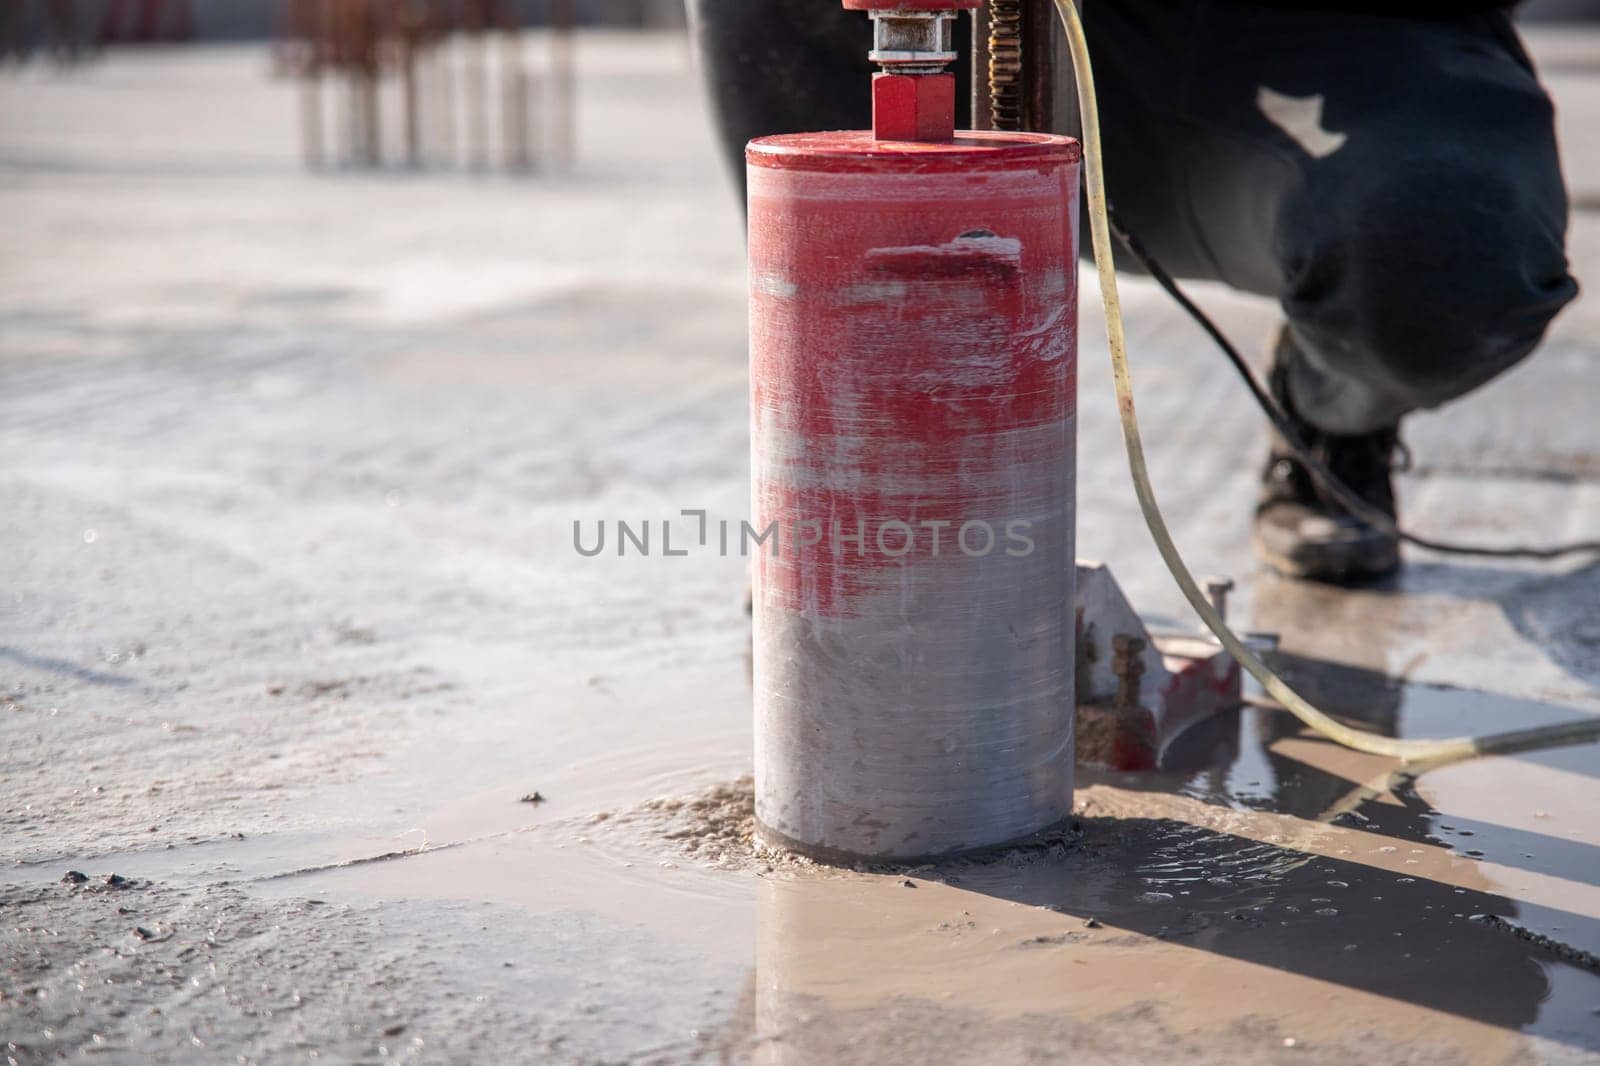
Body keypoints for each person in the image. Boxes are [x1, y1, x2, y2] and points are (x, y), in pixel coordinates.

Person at [686, 0, 1579, 585]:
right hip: (1050, 37)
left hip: (1339, 43)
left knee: (1445, 252)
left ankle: (1333, 423)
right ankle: (858, 483)